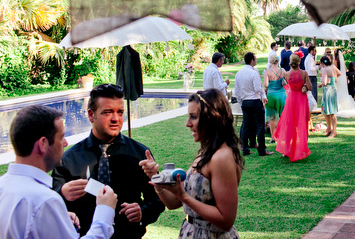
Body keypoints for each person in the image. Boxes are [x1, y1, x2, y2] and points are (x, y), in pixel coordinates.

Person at [52, 84, 164, 238]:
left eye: (120, 112)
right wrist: (62, 193)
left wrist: (142, 212)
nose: (115, 119)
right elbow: (50, 202)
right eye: (107, 112)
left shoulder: (140, 154)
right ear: (91, 115)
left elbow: (158, 199)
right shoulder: (70, 159)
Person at [1, 105, 117, 239]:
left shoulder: (3, 186)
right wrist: (104, 211)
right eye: (61, 137)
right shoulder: (45, 201)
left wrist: (56, 219)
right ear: (43, 144)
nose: (66, 143)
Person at [140, 90, 244, 237]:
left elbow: (226, 220)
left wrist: (184, 197)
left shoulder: (222, 157)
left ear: (213, 118)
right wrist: (154, 177)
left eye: (193, 117)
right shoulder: (205, 153)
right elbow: (173, 203)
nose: (187, 124)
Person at [274, 53, 312, 161]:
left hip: (291, 99)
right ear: (299, 61)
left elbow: (285, 85)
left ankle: (286, 150)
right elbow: (310, 87)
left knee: (289, 123)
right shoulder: (304, 73)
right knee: (300, 123)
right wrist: (304, 86)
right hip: (301, 100)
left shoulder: (286, 73)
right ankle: (300, 149)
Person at [235, 52, 272, 157]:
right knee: (260, 126)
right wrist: (262, 94)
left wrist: (241, 101)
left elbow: (237, 91)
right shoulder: (253, 73)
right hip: (254, 101)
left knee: (246, 125)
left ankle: (245, 149)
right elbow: (257, 88)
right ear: (251, 60)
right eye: (255, 59)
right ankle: (262, 149)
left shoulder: (239, 73)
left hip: (245, 102)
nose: (256, 61)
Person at [334, 49, 355, 118]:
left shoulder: (335, 62)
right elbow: (345, 70)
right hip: (341, 78)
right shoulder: (342, 63)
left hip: (337, 77)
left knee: (337, 91)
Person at [264, 54, 287, 143]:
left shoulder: (267, 72)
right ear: (278, 61)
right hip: (281, 95)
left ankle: (273, 137)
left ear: (270, 61)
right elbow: (287, 80)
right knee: (282, 116)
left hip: (271, 95)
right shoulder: (282, 70)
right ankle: (283, 135)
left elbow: (266, 85)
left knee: (271, 117)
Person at [319, 55, 339, 137]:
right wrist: (333, 79)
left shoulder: (325, 70)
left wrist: (321, 84)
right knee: (328, 110)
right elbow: (339, 73)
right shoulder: (333, 67)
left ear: (322, 63)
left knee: (330, 111)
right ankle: (330, 129)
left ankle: (333, 130)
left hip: (328, 90)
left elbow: (324, 82)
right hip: (333, 89)